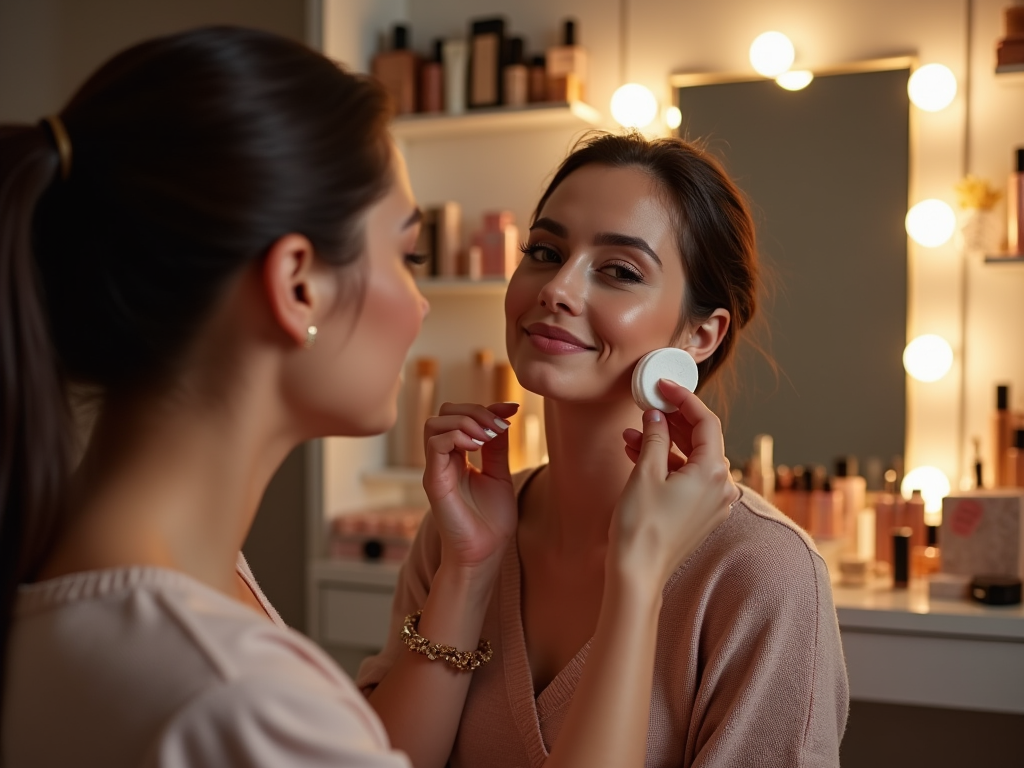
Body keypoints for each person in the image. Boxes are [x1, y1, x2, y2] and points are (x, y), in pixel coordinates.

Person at [0, 27, 734, 768]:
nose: (419, 304)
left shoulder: (133, 584)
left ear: (704, 332)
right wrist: (636, 583)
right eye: (405, 254)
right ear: (298, 286)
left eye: (619, 270)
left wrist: (471, 572)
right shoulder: (234, 696)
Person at [358, 132, 850, 768]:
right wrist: (468, 575)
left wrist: (637, 576)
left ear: (701, 334)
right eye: (543, 250)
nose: (557, 287)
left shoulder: (762, 574)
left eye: (619, 271)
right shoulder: (461, 531)